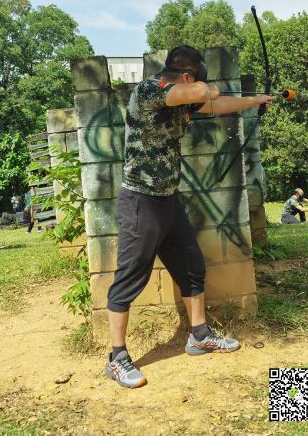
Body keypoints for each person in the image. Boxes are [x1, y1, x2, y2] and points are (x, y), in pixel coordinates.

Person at [104, 45, 273, 389]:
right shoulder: (149, 90)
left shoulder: (181, 98)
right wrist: (206, 88)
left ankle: (199, 336)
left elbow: (214, 104)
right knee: (130, 278)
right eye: (197, 79)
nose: (203, 86)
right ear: (185, 76)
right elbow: (201, 93)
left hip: (168, 199)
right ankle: (116, 358)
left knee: (192, 266)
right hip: (140, 202)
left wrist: (255, 100)